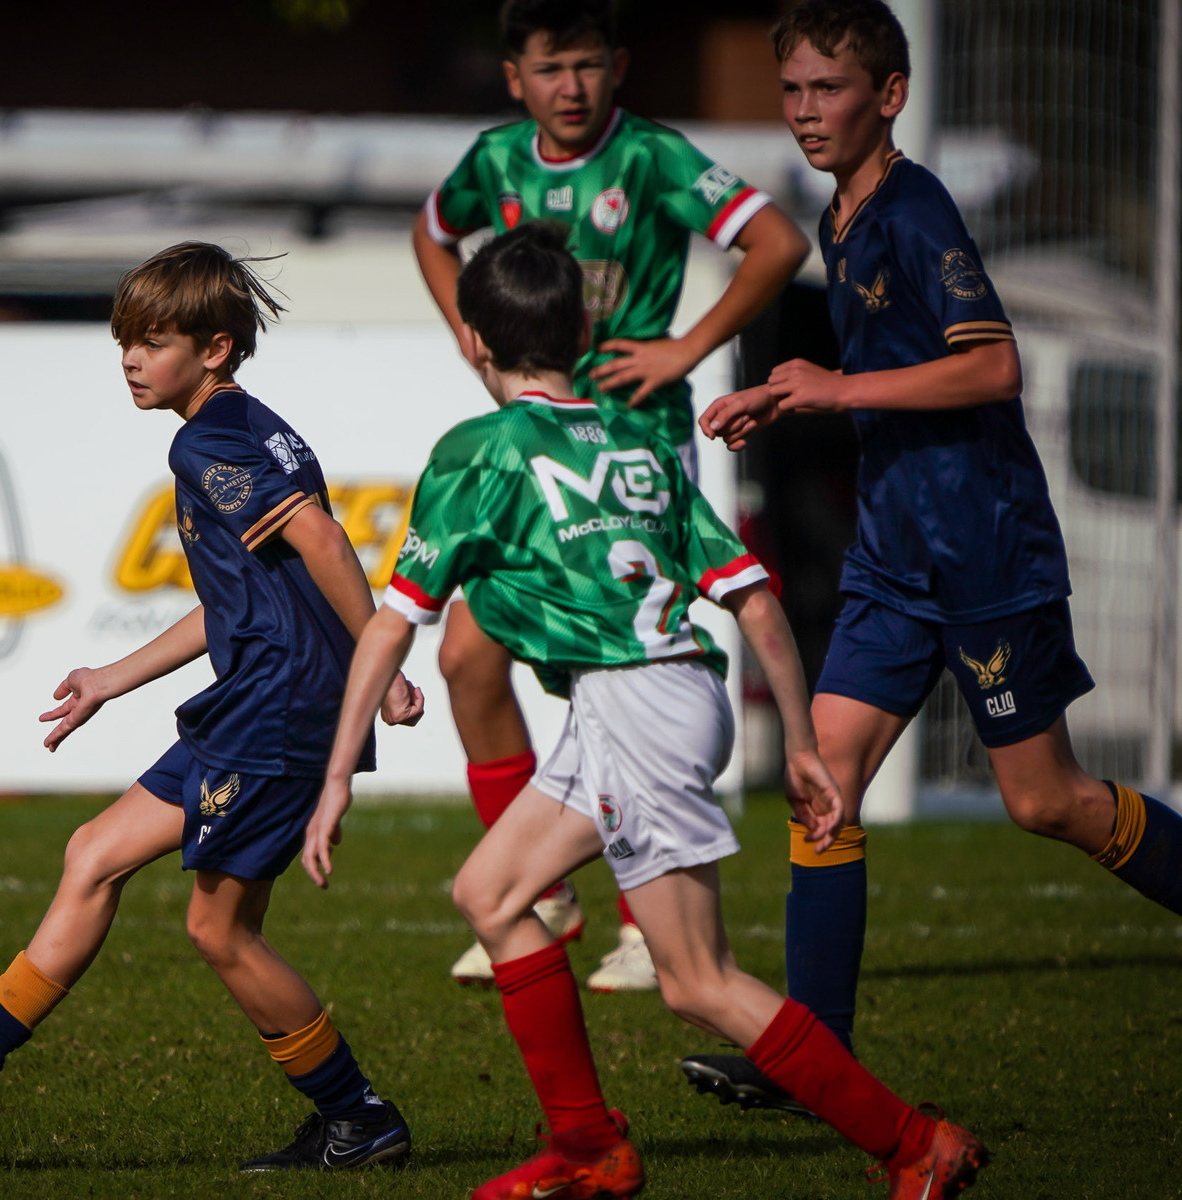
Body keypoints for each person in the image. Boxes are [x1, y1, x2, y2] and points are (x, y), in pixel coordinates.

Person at [306, 221, 988, 1200]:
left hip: (635, 708)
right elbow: (754, 596)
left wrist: (336, 777)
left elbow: (392, 625)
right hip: (666, 695)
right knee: (492, 894)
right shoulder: (638, 440)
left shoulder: (477, 452)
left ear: (474, 341)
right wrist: (798, 741)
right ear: (582, 338)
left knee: (696, 981)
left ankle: (914, 1143)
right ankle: (589, 1148)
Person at [682, 0, 1182, 1113]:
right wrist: (789, 399)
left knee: (1046, 803)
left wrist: (835, 387)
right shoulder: (844, 216)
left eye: (829, 89)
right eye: (794, 90)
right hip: (893, 556)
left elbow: (992, 367)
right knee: (826, 789)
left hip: (983, 551)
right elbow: (875, 379)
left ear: (890, 96)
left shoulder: (915, 211)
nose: (807, 112)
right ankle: (816, 1063)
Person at [0, 241, 426, 1172]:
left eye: (152, 341)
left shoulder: (207, 439)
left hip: (277, 712)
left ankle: (358, 1116)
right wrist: (110, 679)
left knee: (219, 930)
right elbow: (237, 602)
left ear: (215, 349)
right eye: (124, 341)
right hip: (251, 703)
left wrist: (387, 659)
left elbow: (326, 540)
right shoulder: (247, 427)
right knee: (92, 853)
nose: (131, 359)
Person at [415, 0, 811, 989]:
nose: (572, 87)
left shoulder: (653, 159)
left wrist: (686, 347)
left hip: (632, 451)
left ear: (620, 66)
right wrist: (471, 334)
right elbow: (431, 233)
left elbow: (777, 242)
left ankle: (648, 923)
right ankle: (547, 894)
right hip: (537, 444)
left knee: (612, 668)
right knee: (468, 653)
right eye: (551, 69)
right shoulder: (494, 161)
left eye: (589, 66)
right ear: (516, 77)